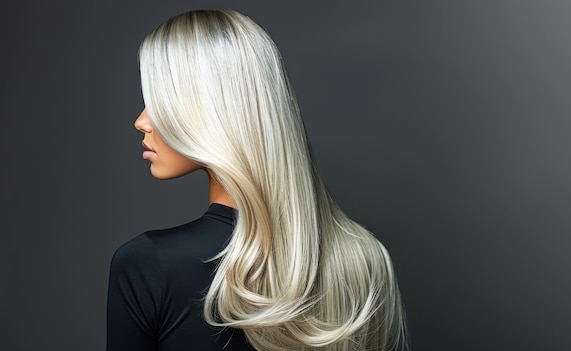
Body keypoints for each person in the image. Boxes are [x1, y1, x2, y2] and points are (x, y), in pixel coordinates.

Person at [107, 9, 408, 351]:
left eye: (159, 101)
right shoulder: (363, 260)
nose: (141, 121)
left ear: (210, 109)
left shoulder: (149, 264)